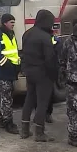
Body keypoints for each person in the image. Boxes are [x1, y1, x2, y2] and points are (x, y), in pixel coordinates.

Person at [20, 10, 58, 142]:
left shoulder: (27, 34)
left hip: (29, 71)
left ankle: (24, 130)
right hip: (43, 73)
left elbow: (23, 54)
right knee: (42, 102)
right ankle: (39, 132)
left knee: (29, 99)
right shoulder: (45, 37)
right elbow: (50, 59)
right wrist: (54, 74)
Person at [0, 13, 20, 135]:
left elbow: (13, 52)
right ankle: (8, 123)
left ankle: (2, 120)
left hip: (10, 70)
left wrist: (18, 64)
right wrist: (6, 64)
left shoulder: (11, 34)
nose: (13, 24)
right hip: (3, 70)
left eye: (14, 22)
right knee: (7, 97)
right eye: (11, 22)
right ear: (4, 23)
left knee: (6, 96)